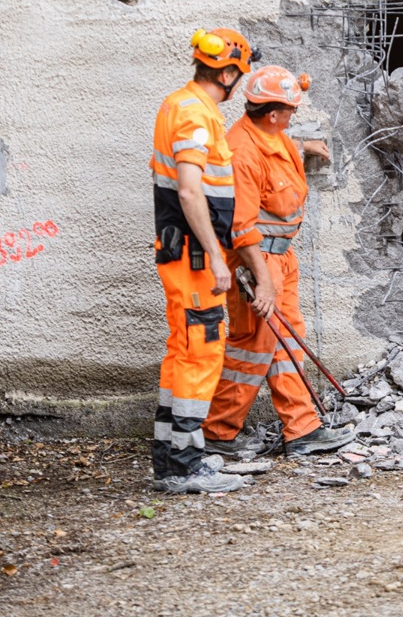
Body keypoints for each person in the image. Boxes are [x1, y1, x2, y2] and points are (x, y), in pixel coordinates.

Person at [201, 66, 356, 457]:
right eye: (289, 110)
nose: (293, 115)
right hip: (258, 262)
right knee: (251, 346)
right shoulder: (242, 153)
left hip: (280, 258)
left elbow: (281, 150)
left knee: (288, 342)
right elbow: (241, 227)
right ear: (272, 114)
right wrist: (262, 281)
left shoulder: (273, 137)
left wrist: (305, 146)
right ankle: (218, 433)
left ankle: (302, 429)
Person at [150, 28, 256, 494]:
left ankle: (171, 460)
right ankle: (187, 464)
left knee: (183, 350)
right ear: (228, 72)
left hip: (182, 251)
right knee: (202, 349)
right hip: (193, 256)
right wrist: (216, 254)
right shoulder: (195, 114)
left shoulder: (181, 104)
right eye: (239, 75)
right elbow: (190, 190)